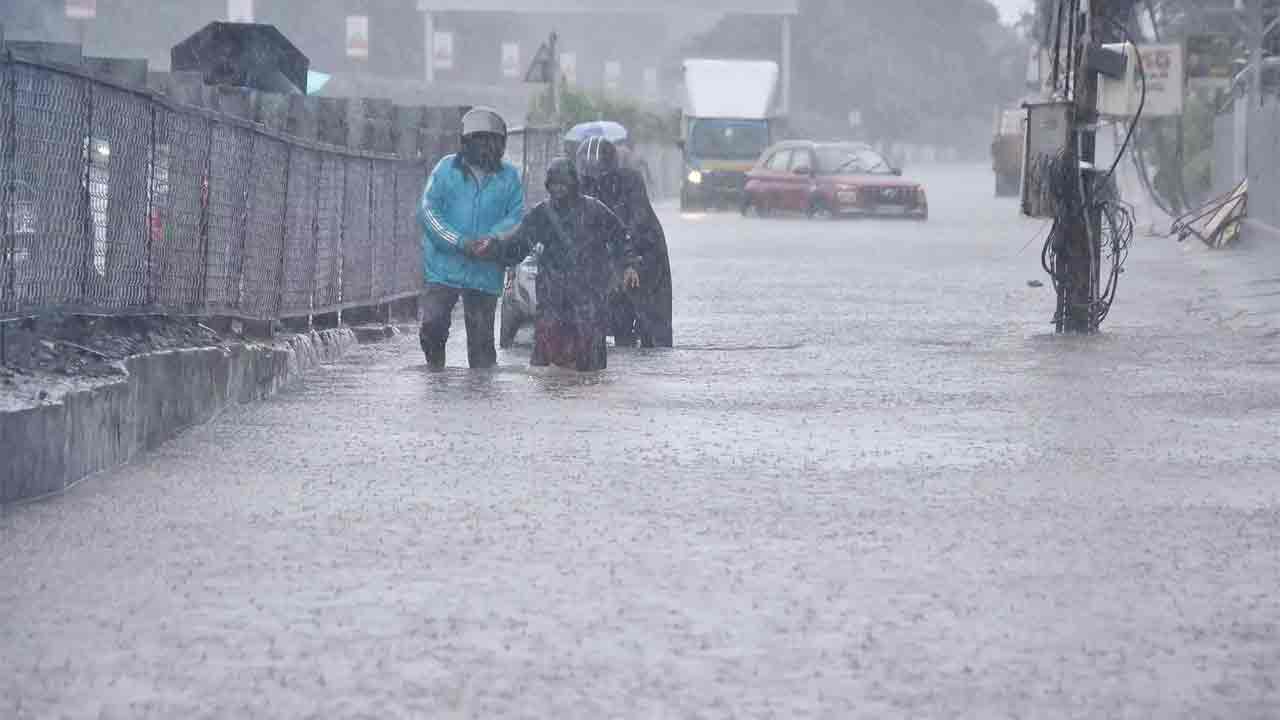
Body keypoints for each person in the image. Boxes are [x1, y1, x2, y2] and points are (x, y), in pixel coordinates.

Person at [495, 158, 644, 372]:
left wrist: (630, 265)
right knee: (545, 358)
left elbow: (620, 237)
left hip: (588, 296)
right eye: (554, 185)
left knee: (591, 361)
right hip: (552, 296)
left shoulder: (595, 210)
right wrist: (495, 253)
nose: (558, 190)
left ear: (574, 184)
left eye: (563, 184)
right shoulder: (542, 214)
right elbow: (518, 245)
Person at [416, 107, 525, 370]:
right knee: (433, 325)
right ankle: (435, 374)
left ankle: (481, 400)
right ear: (466, 143)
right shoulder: (445, 169)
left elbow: (516, 217)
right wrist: (459, 241)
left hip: (485, 270)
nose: (486, 147)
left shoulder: (510, 177)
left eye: (492, 141)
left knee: (481, 347)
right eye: (479, 140)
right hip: (443, 268)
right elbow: (428, 211)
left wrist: (493, 240)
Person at [575, 137, 673, 348]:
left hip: (646, 252)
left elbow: (637, 221)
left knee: (653, 324)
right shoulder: (581, 185)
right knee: (616, 316)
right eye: (590, 178)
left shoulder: (631, 182)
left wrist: (625, 255)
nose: (596, 183)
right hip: (613, 255)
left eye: (600, 177)